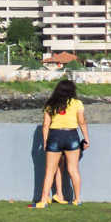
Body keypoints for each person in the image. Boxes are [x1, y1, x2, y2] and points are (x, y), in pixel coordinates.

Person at [36, 77, 88, 208]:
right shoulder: (77, 103)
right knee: (73, 169)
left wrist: (45, 142)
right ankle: (77, 199)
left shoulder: (50, 104)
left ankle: (43, 200)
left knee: (49, 171)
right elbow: (81, 122)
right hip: (71, 135)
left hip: (55, 135)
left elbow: (45, 125)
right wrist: (86, 138)